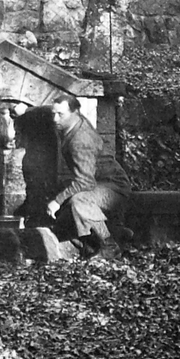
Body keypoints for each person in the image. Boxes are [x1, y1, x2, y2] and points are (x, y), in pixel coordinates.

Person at [40, 97, 132, 260]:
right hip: (98, 182)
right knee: (58, 190)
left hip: (113, 188)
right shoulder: (74, 122)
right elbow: (48, 110)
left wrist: (57, 201)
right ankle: (117, 232)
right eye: (54, 114)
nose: (55, 119)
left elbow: (85, 182)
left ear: (75, 113)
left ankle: (109, 245)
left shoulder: (80, 141)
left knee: (78, 201)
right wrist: (25, 111)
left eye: (60, 115)